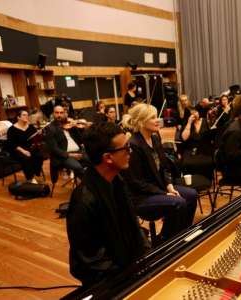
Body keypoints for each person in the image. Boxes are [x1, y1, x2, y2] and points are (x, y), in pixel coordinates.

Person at [66, 122, 148, 288]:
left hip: (126, 265)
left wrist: (145, 250)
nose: (129, 152)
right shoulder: (84, 200)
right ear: (108, 158)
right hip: (107, 279)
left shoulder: (117, 180)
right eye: (125, 148)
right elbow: (91, 259)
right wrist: (129, 273)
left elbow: (130, 223)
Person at [122, 103, 197, 241]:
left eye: (157, 116)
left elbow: (164, 168)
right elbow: (136, 182)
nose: (158, 120)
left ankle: (182, 235)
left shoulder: (155, 138)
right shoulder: (133, 144)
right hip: (141, 196)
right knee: (178, 202)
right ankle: (165, 240)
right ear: (141, 121)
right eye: (153, 117)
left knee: (192, 195)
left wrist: (169, 185)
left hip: (159, 187)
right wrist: (164, 193)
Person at [44, 105, 88, 179]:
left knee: (93, 161)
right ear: (53, 114)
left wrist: (75, 127)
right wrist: (70, 155)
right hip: (63, 156)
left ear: (64, 113)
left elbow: (80, 139)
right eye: (57, 113)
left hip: (78, 151)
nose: (59, 115)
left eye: (61, 113)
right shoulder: (50, 128)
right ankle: (88, 186)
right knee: (78, 167)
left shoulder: (69, 124)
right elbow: (54, 149)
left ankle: (88, 184)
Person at [6, 110, 44, 183]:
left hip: (29, 147)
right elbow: (12, 144)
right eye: (24, 115)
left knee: (39, 155)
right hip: (17, 149)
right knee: (26, 158)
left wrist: (39, 134)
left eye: (27, 115)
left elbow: (35, 139)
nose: (27, 116)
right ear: (18, 117)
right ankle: (30, 178)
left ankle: (35, 172)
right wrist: (24, 151)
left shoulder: (30, 126)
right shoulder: (12, 129)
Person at [180, 108, 215, 180]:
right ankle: (192, 180)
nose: (195, 114)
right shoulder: (187, 124)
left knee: (208, 162)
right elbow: (184, 138)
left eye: (196, 112)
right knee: (186, 163)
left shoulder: (205, 121)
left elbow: (212, 135)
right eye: (192, 113)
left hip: (204, 148)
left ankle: (206, 180)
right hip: (191, 149)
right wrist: (189, 123)